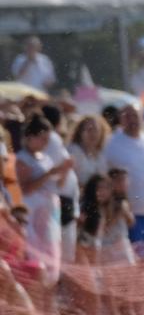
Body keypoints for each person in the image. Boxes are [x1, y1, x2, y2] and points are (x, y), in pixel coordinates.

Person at [103, 104, 144, 260]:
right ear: (121, 119)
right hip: (131, 216)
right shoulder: (112, 143)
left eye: (135, 116)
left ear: (142, 118)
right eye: (127, 116)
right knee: (136, 267)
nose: (132, 120)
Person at [15, 115, 73, 286]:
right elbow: (25, 188)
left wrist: (64, 171)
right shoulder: (22, 158)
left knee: (51, 255)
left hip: (49, 213)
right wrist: (49, 173)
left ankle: (47, 296)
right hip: (33, 212)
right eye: (42, 139)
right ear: (30, 137)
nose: (45, 143)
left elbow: (57, 186)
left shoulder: (45, 158)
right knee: (35, 256)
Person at [41, 105, 79, 266]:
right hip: (59, 203)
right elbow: (57, 174)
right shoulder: (52, 139)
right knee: (61, 260)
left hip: (61, 203)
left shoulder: (52, 140)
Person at [68, 114, 110, 184]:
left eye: (96, 130)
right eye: (89, 130)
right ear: (80, 132)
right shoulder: (73, 151)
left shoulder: (102, 153)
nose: (93, 134)